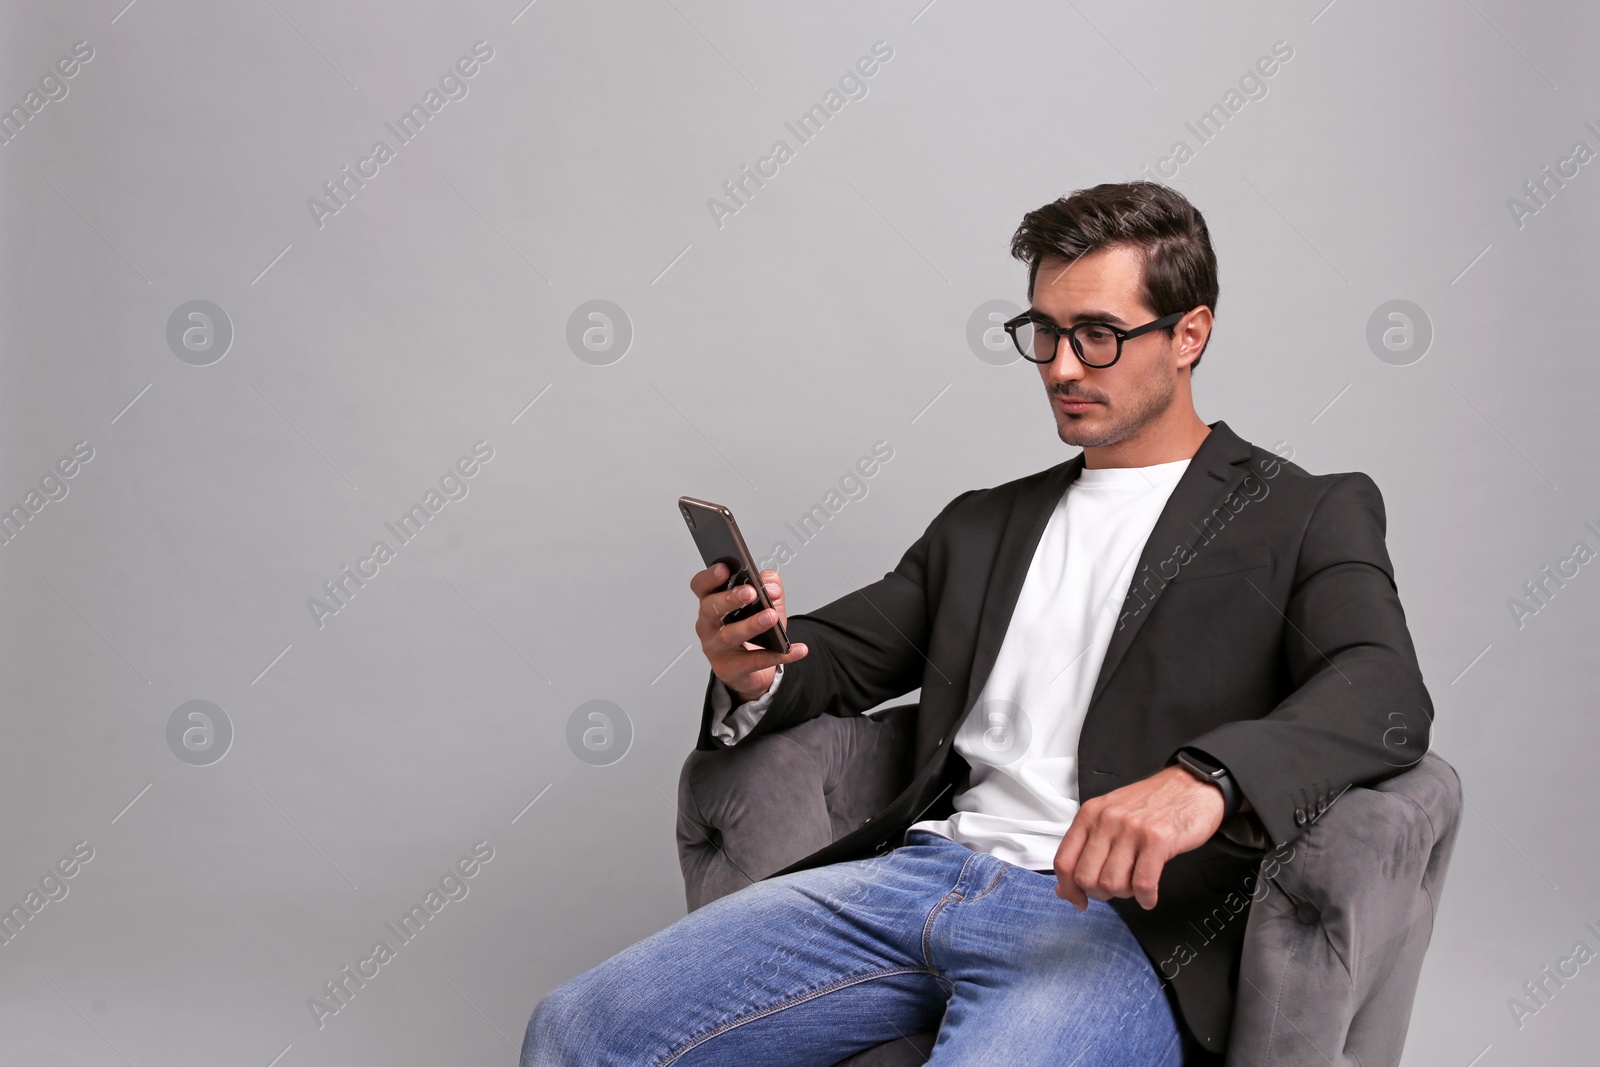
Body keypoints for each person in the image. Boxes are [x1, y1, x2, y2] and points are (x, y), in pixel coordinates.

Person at [520, 181, 1433, 1065]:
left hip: (1111, 926)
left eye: (1099, 336)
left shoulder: (1304, 511)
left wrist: (1211, 778)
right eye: (1045, 332)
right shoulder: (984, 523)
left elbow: (1382, 686)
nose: (1063, 367)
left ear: (1189, 334)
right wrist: (754, 666)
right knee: (576, 1030)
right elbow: (833, 657)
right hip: (910, 878)